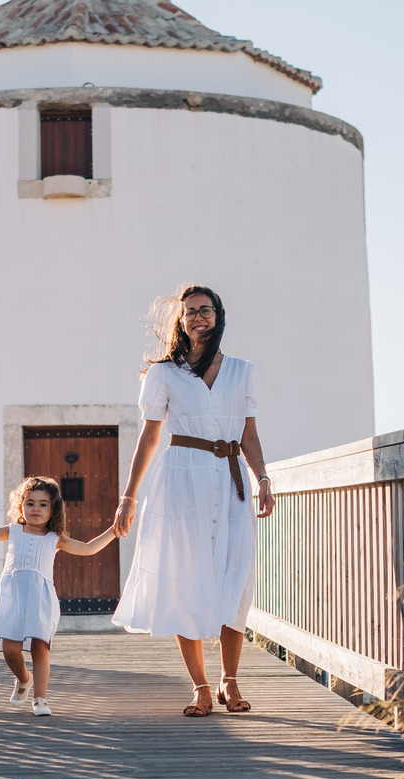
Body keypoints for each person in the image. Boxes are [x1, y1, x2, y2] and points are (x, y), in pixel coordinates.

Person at [111, 284, 276, 717]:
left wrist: (263, 477)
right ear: (180, 321)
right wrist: (128, 496)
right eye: (189, 313)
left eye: (205, 310)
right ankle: (201, 686)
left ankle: (230, 680)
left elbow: (249, 435)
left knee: (232, 580)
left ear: (218, 316)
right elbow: (149, 437)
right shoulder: (164, 373)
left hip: (230, 480)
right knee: (187, 578)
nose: (197, 318)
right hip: (182, 480)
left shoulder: (241, 371)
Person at [0, 476, 118, 716]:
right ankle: (24, 679)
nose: (36, 508)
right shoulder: (14, 531)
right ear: (21, 507)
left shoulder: (54, 539)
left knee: (40, 649)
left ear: (53, 510)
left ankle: (40, 699)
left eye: (43, 504)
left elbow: (89, 548)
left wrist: (114, 531)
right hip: (13, 597)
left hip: (41, 599)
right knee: (10, 650)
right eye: (30, 503)